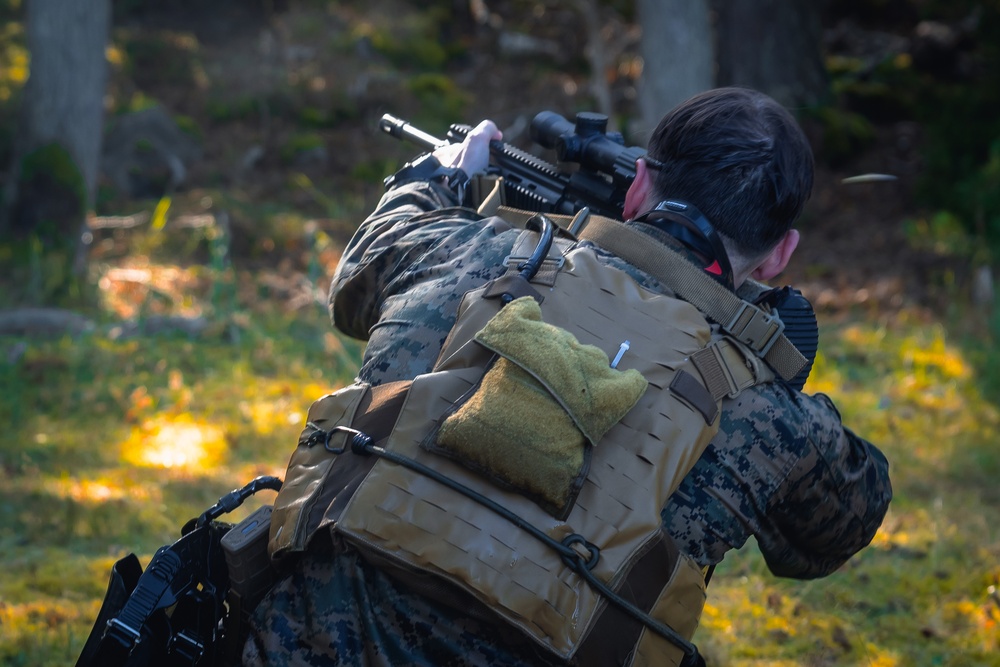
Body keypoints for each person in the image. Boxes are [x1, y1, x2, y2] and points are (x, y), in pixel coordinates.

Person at [244, 87, 892, 666]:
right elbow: (833, 532)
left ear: (639, 186)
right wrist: (774, 367)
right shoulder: (770, 414)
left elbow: (361, 272)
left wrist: (441, 176)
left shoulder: (468, 249)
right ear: (781, 253)